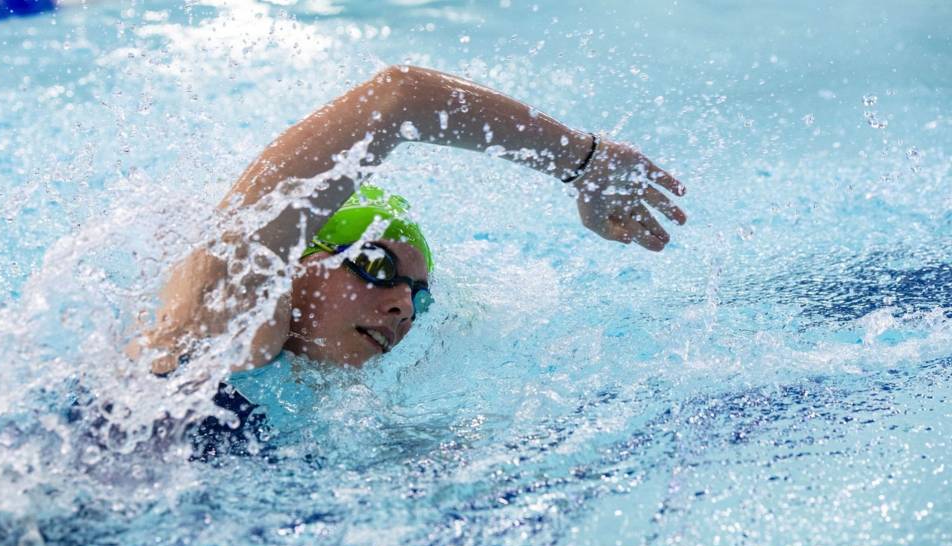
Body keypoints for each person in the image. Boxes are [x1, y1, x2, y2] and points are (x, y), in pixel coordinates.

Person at [135, 64, 687, 380]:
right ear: (299, 253)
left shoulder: (299, 396)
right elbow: (398, 98)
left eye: (418, 296)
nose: (403, 307)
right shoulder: (227, 320)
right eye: (375, 265)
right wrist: (584, 161)